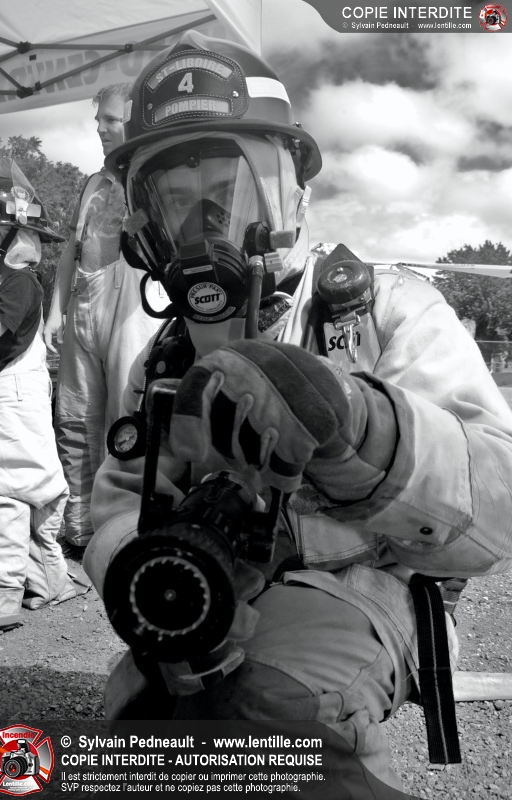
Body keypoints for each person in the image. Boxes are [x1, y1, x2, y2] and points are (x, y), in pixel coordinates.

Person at [82, 31, 512, 791]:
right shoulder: (165, 357)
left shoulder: (386, 313)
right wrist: (152, 579)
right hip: (222, 590)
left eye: (230, 193)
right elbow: (117, 502)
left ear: (295, 196)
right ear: (145, 224)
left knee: (272, 715)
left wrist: (364, 434)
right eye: (176, 200)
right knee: (141, 732)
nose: (204, 223)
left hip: (372, 585)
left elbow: (500, 503)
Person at [43, 83, 166, 549]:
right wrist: (55, 311)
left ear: (134, 118)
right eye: (98, 120)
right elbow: (71, 250)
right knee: (75, 416)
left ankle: (124, 529)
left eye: (110, 120)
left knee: (126, 417)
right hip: (84, 299)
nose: (100, 128)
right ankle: (79, 529)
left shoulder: (153, 175)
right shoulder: (93, 183)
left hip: (133, 302)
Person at [0, 170, 81, 633]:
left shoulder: (18, 281)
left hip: (13, 395)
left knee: (0, 488)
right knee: (29, 486)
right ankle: (46, 580)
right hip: (7, 391)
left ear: (13, 241)